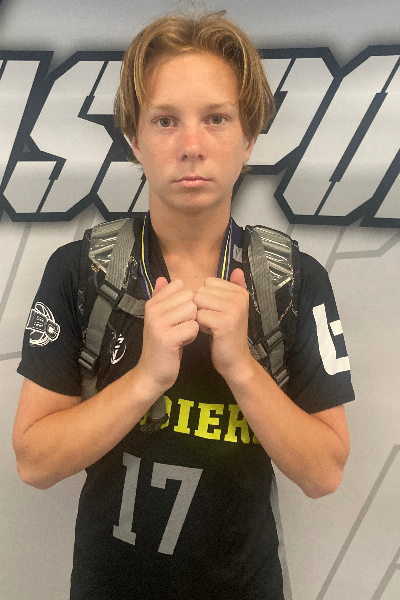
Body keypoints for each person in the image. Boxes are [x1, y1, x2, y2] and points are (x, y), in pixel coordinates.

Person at [13, 9, 354, 600]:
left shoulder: (295, 281)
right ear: (134, 140)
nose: (192, 146)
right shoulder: (80, 271)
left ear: (249, 139)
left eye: (216, 119)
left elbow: (325, 473)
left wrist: (241, 367)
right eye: (165, 120)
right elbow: (34, 462)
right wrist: (147, 378)